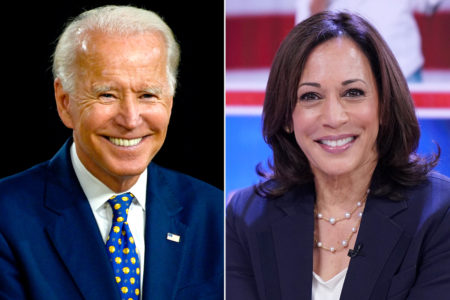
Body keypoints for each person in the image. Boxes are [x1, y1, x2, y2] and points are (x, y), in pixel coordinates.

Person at [0, 5, 223, 300]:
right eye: (107, 95)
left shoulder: (217, 215)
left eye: (147, 95)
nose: (130, 120)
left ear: (169, 103)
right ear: (65, 103)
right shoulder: (7, 217)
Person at [226, 11, 450, 300]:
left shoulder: (439, 212)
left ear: (383, 105)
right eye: (310, 96)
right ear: (286, 117)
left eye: (353, 92)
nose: (333, 117)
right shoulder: (244, 216)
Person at [295, 0, 445, 83]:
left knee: (408, 136)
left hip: (402, 68)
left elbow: (430, 4)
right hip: (342, 74)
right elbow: (307, 26)